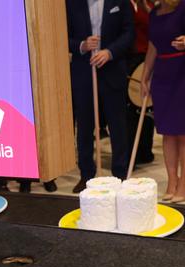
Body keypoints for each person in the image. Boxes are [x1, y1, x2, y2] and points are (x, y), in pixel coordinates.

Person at [66, 0, 135, 193]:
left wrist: (109, 52)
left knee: (118, 126)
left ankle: (120, 176)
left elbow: (129, 33)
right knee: (85, 126)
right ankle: (86, 175)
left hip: (113, 71)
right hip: (83, 73)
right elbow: (63, 36)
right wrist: (81, 45)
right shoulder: (71, 3)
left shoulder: (120, 1)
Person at [142, 0, 185, 203]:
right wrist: (145, 77)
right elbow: (152, 46)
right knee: (167, 131)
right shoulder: (154, 13)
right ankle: (172, 181)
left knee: (184, 131)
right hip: (162, 74)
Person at [127, 0, 156, 165]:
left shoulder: (151, 5)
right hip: (129, 59)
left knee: (147, 107)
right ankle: (132, 153)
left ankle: (145, 150)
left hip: (148, 58)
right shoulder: (125, 4)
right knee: (131, 108)